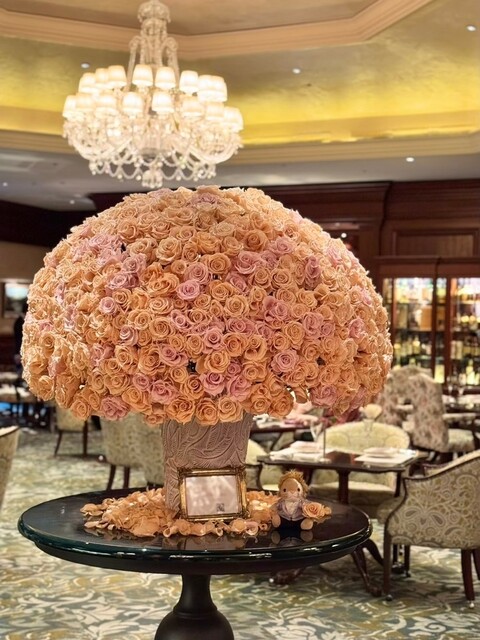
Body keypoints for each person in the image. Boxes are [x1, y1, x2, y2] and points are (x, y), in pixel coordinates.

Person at [13, 301, 27, 380]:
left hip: (20, 350)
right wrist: (18, 353)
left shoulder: (20, 321)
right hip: (19, 350)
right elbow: (18, 339)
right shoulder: (20, 322)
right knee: (20, 374)